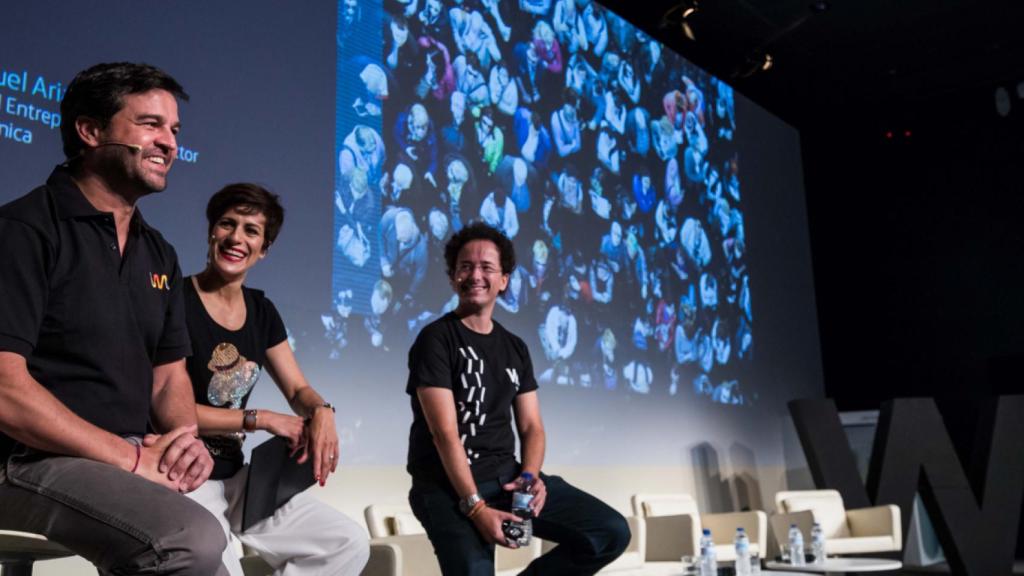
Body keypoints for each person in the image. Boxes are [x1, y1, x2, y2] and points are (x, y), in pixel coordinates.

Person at [0, 62, 226, 574]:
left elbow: (168, 375)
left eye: (174, 130)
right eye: (150, 124)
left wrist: (188, 442)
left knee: (216, 559)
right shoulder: (23, 230)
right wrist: (128, 460)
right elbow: (3, 389)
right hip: (23, 460)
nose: (168, 142)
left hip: (121, 457)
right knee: (188, 542)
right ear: (90, 131)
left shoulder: (160, 253)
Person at [405, 222, 630, 575]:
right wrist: (475, 508)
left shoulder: (515, 347)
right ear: (453, 278)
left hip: (507, 479)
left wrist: (529, 476)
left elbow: (531, 427)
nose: (475, 275)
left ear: (504, 280)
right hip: (449, 489)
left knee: (610, 532)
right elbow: (445, 434)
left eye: (487, 267)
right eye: (465, 266)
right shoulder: (435, 339)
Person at [184, 183, 369, 576]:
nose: (236, 237)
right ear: (211, 232)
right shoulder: (175, 301)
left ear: (264, 248)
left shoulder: (261, 311)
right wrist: (262, 419)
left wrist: (322, 411)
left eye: (251, 230)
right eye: (227, 224)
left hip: (235, 479)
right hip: (184, 474)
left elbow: (299, 390)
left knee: (346, 544)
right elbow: (169, 410)